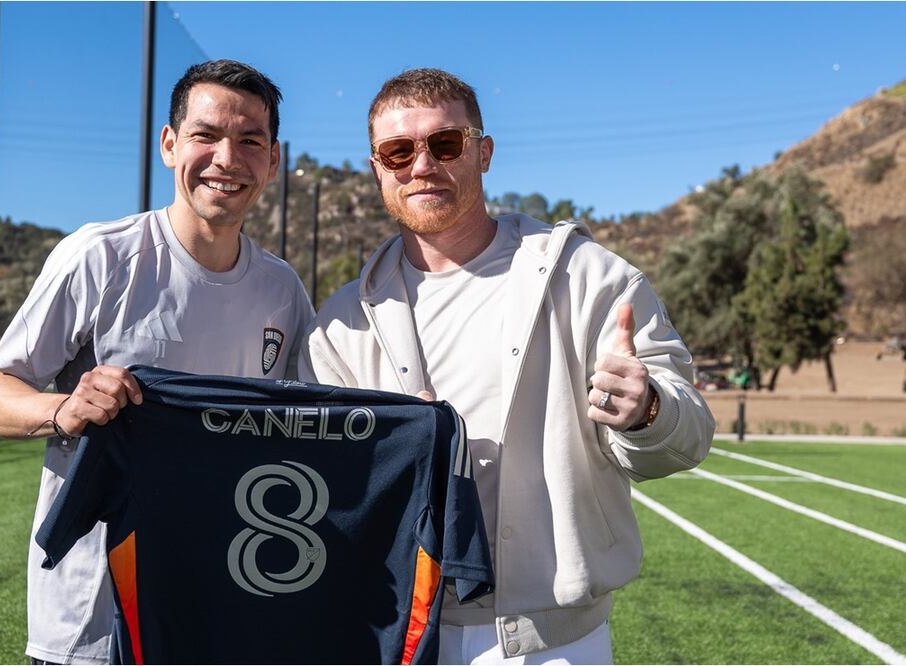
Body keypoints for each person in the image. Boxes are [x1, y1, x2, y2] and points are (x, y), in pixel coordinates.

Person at [300, 68, 715, 664]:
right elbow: (327, 480)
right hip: (401, 627)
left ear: (483, 152)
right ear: (377, 169)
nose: (422, 165)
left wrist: (648, 410)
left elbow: (689, 434)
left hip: (554, 641)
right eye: (398, 150)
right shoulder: (341, 321)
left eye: (446, 144)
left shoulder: (592, 278)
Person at [0, 59, 313, 665]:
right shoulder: (99, 258)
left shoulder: (281, 289)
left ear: (273, 161)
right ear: (170, 144)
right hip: (93, 623)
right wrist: (62, 408)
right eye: (206, 136)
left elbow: (311, 422)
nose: (227, 159)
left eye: (250, 141)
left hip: (218, 606)